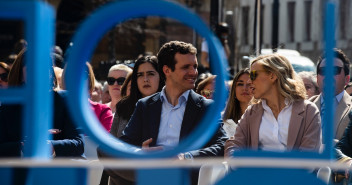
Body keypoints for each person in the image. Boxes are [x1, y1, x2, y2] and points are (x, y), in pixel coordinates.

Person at [120, 41, 227, 185]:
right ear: (167, 70)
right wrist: (140, 152)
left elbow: (222, 145)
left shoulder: (206, 108)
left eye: (194, 66)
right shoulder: (145, 106)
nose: (193, 72)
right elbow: (125, 143)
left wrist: (187, 157)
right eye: (186, 67)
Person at [225, 54, 321, 157]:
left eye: (253, 75)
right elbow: (234, 144)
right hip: (255, 172)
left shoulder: (308, 111)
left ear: (272, 75)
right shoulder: (252, 112)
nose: (249, 81)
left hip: (292, 173)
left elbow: (308, 158)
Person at [0, 48, 85, 158]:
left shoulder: (66, 100)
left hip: (59, 170)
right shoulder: (9, 105)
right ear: (21, 75)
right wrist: (23, 146)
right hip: (21, 171)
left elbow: (78, 144)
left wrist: (50, 146)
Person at [101, 56, 164, 185]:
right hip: (123, 174)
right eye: (140, 75)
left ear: (162, 76)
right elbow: (112, 143)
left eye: (151, 74)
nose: (145, 79)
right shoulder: (124, 106)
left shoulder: (170, 106)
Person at [309, 48, 352, 141]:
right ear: (317, 79)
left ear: (347, 79)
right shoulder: (304, 107)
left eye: (335, 70)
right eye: (323, 71)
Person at [222, 68, 253, 137]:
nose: (244, 88)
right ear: (234, 90)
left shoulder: (265, 119)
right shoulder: (222, 121)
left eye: (249, 84)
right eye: (240, 84)